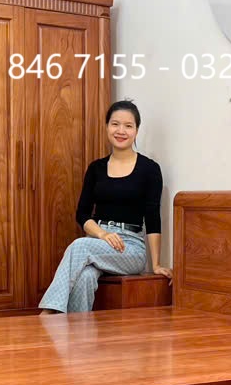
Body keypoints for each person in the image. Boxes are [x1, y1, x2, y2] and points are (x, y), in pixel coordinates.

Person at [38, 100, 170, 313]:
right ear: (107, 126)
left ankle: (50, 312)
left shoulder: (150, 169)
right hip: (99, 241)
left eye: (128, 126)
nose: (121, 130)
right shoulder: (96, 169)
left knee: (79, 246)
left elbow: (153, 217)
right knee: (85, 277)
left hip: (130, 248)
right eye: (115, 124)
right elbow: (82, 214)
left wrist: (156, 264)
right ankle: (76, 331)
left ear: (136, 131)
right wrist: (103, 234)